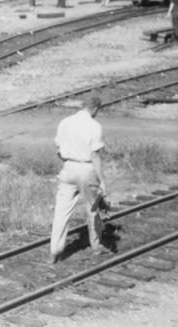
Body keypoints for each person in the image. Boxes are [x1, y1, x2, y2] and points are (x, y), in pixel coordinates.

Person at [49, 93, 110, 263]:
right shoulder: (95, 126)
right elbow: (95, 156)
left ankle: (55, 250)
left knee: (61, 212)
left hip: (68, 168)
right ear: (96, 108)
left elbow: (58, 149)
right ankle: (96, 246)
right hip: (87, 168)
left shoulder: (65, 122)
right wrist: (102, 180)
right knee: (93, 210)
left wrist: (68, 161)